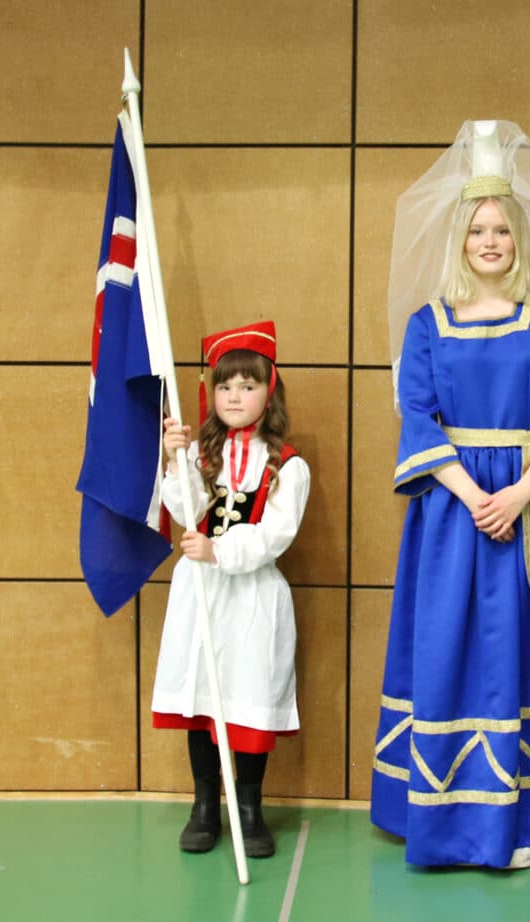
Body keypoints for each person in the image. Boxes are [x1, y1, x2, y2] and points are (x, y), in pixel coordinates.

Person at [371, 121, 530, 869]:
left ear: (519, 237)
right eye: (478, 230)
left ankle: (528, 816)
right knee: (452, 649)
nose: (491, 241)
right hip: (453, 517)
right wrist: (478, 496)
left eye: (502, 229)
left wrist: (519, 495)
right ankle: (452, 819)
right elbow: (418, 419)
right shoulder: (427, 325)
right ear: (460, 240)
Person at [152, 320, 311, 858]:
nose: (234, 396)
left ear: (270, 390)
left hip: (252, 595)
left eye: (247, 385)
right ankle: (204, 805)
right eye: (224, 386)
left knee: (248, 697)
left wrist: (220, 550)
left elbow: (276, 534)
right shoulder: (201, 455)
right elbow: (187, 509)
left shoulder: (287, 465)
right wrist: (175, 460)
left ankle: (249, 808)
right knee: (203, 695)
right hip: (201, 591)